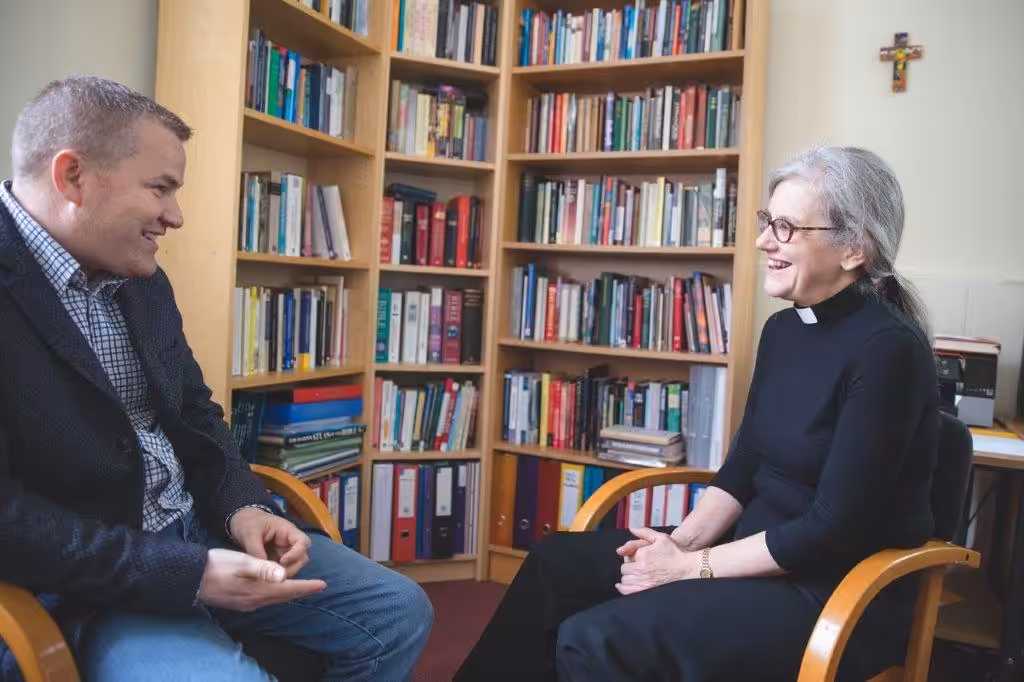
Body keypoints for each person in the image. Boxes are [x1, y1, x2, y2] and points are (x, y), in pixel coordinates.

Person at [0, 75, 432, 681]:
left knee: (399, 609)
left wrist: (243, 508)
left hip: (199, 528)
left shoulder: (141, 277)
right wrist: (189, 573)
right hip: (91, 580)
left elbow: (196, 412)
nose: (174, 216)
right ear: (72, 175)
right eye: (160, 189)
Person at [454, 146, 940, 682]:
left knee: (595, 640)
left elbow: (829, 530)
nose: (762, 241)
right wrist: (679, 544)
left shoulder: (889, 349)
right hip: (750, 554)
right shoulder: (784, 329)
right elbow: (746, 460)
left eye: (786, 227)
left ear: (854, 248)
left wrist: (688, 568)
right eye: (766, 221)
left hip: (832, 591)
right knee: (555, 563)